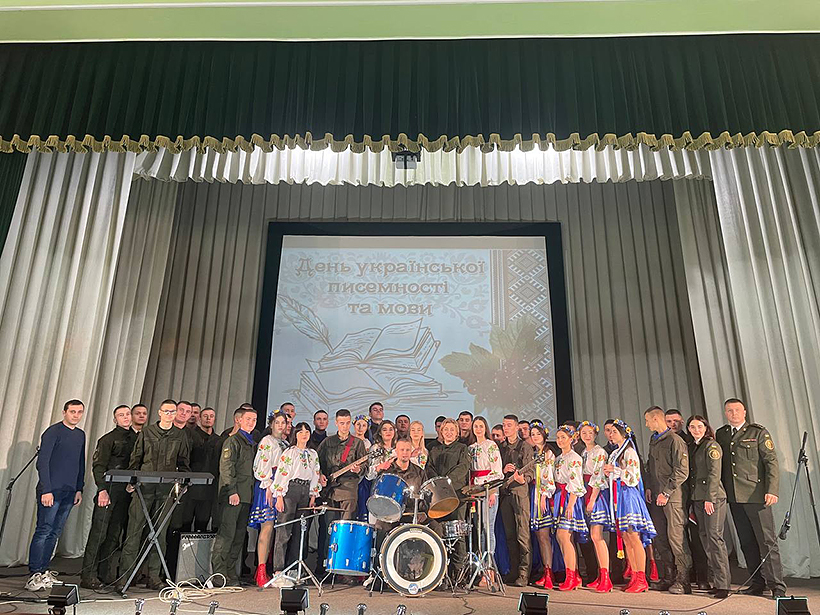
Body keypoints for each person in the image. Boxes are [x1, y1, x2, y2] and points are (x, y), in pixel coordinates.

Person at [117, 399, 190, 591]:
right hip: (144, 487)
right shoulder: (147, 432)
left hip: (166, 490)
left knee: (160, 533)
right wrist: (131, 481)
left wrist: (183, 482)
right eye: (166, 411)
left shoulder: (180, 435)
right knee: (134, 532)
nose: (169, 415)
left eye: (172, 412)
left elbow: (183, 462)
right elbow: (136, 458)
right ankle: (126, 576)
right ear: (159, 412)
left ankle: (154, 576)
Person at [716, 398, 785, 598]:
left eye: (737, 410)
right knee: (746, 542)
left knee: (767, 542)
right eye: (729, 411)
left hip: (756, 496)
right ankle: (757, 583)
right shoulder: (722, 434)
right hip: (734, 497)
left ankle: (777, 586)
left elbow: (771, 462)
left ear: (744, 412)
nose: (734, 414)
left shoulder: (757, 432)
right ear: (725, 413)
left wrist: (772, 490)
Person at [25, 400, 86, 592]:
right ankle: (35, 573)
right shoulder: (53, 432)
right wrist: (46, 489)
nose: (76, 415)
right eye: (72, 411)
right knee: (44, 529)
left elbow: (80, 463)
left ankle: (44, 571)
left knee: (55, 532)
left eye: (79, 412)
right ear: (64, 412)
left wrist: (79, 488)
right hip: (52, 490)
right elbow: (43, 462)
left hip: (69, 490)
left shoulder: (80, 435)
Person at [81, 405, 137, 590]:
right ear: (115, 419)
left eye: (127, 414)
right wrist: (102, 490)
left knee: (114, 535)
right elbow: (98, 466)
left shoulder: (137, 439)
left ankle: (105, 573)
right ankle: (88, 575)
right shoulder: (107, 439)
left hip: (126, 491)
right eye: (121, 415)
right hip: (109, 489)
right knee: (99, 533)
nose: (125, 417)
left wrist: (133, 483)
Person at [365, 437, 428, 588]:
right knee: (380, 529)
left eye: (407, 450)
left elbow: (426, 494)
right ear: (396, 451)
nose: (405, 453)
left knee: (435, 527)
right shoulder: (388, 470)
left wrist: (424, 511)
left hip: (411, 513)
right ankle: (378, 574)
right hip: (390, 513)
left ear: (411, 452)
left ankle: (425, 574)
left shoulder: (419, 472)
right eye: (402, 450)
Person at [603, 420, 656, 593]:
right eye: (610, 432)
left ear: (623, 434)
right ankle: (634, 575)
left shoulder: (629, 451)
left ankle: (641, 577)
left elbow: (633, 478)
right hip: (618, 495)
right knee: (626, 538)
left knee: (634, 537)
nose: (611, 435)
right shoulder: (615, 452)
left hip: (628, 495)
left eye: (614, 432)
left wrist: (615, 471)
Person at [315, 409, 368, 580]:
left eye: (347, 423)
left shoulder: (357, 443)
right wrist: (320, 475)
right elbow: (316, 462)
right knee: (329, 529)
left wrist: (359, 469)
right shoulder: (327, 442)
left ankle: (343, 570)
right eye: (342, 423)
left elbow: (365, 466)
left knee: (346, 529)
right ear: (336, 423)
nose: (345, 426)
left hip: (349, 489)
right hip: (330, 491)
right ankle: (325, 566)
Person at [645, 406, 692, 594]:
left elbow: (682, 471)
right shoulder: (654, 440)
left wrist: (666, 492)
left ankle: (683, 580)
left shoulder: (675, 440)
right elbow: (651, 465)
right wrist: (650, 487)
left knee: (676, 538)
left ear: (656, 419)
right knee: (660, 537)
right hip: (657, 496)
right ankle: (668, 576)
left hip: (671, 497)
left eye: (648, 420)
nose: (646, 424)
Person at [268, 422, 321, 587]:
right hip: (291, 490)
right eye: (301, 432)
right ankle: (278, 571)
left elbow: (315, 474)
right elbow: (282, 474)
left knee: (300, 531)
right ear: (295, 434)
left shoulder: (312, 454)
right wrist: (279, 495)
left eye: (307, 431)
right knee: (284, 531)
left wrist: (313, 494)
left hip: (305, 490)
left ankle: (293, 570)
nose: (304, 434)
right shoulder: (290, 452)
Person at [211, 407, 257, 585]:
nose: (251, 423)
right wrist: (232, 491)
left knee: (238, 536)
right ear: (239, 420)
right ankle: (219, 574)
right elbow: (226, 467)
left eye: (254, 420)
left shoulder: (251, 443)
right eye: (248, 419)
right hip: (234, 495)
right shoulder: (233, 441)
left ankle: (230, 572)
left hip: (246, 495)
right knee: (227, 534)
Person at [687, 415, 731, 599]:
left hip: (712, 498)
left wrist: (710, 498)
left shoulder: (711, 446)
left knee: (715, 538)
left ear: (706, 428)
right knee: (705, 538)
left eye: (699, 426)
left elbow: (714, 473)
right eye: (692, 427)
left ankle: (723, 584)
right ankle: (716, 581)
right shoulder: (694, 446)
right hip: (698, 497)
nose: (696, 430)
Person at [426, 418, 471, 585]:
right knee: (439, 533)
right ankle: (440, 573)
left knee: (458, 534)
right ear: (441, 431)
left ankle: (458, 574)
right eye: (446, 429)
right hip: (438, 496)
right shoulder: (434, 449)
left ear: (457, 432)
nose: (449, 432)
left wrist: (447, 480)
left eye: (452, 430)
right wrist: (439, 482)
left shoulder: (462, 448)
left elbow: (463, 467)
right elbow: (429, 468)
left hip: (457, 495)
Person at [250, 411, 289, 586]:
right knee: (267, 527)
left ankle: (270, 568)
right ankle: (260, 569)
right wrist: (267, 484)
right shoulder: (267, 441)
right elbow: (262, 464)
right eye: (277, 422)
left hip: (281, 485)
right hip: (268, 484)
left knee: (275, 529)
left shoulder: (286, 443)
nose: (280, 426)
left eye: (283, 422)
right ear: (271, 424)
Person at [551, 425, 588, 591]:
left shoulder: (574, 458)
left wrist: (571, 504)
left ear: (571, 439)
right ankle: (574, 575)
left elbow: (575, 482)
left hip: (569, 498)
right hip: (560, 497)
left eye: (563, 437)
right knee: (563, 538)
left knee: (564, 535)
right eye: (558, 437)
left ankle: (571, 576)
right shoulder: (559, 458)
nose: (560, 440)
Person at [498, 413, 534, 587]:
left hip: (520, 494)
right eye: (504, 425)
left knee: (523, 535)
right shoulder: (501, 447)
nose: (506, 428)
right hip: (505, 494)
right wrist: (503, 469)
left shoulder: (525, 446)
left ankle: (524, 573)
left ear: (517, 427)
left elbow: (531, 470)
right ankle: (513, 571)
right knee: (510, 535)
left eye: (509, 425)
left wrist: (523, 479)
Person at [468, 416, 503, 586]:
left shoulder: (491, 446)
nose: (478, 429)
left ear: (485, 428)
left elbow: (497, 472)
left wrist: (492, 491)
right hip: (475, 491)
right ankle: (481, 568)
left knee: (488, 528)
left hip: (489, 490)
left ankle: (490, 570)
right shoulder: (471, 448)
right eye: (476, 426)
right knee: (479, 529)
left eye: (481, 426)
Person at [578, 421, 612, 592]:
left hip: (595, 493)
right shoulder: (584, 452)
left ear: (595, 434)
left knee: (597, 536)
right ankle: (599, 575)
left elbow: (598, 477)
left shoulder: (599, 452)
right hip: (585, 491)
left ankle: (606, 577)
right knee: (592, 537)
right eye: (584, 433)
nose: (587, 436)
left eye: (590, 433)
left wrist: (592, 499)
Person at [527, 422, 555, 589]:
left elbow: (549, 476)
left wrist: (544, 494)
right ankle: (545, 570)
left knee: (544, 536)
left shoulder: (548, 453)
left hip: (543, 494)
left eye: (538, 433)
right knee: (538, 536)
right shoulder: (533, 453)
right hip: (533, 493)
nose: (535, 437)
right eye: (533, 434)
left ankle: (549, 573)